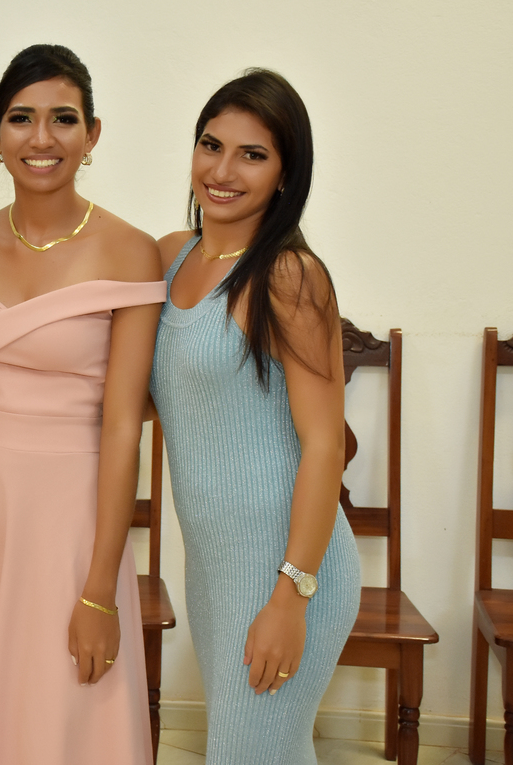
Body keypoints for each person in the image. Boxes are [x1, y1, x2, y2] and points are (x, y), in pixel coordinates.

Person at [0, 44, 163, 765]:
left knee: (63, 698)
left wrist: (100, 591)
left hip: (72, 508)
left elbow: (123, 426)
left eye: (63, 118)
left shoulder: (130, 250)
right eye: (22, 118)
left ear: (92, 134)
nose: (42, 137)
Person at [150, 68, 361, 764]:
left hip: (287, 567)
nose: (222, 170)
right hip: (216, 564)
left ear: (285, 173)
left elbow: (325, 445)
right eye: (211, 145)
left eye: (253, 154)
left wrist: (291, 596)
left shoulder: (289, 275)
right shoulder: (171, 257)